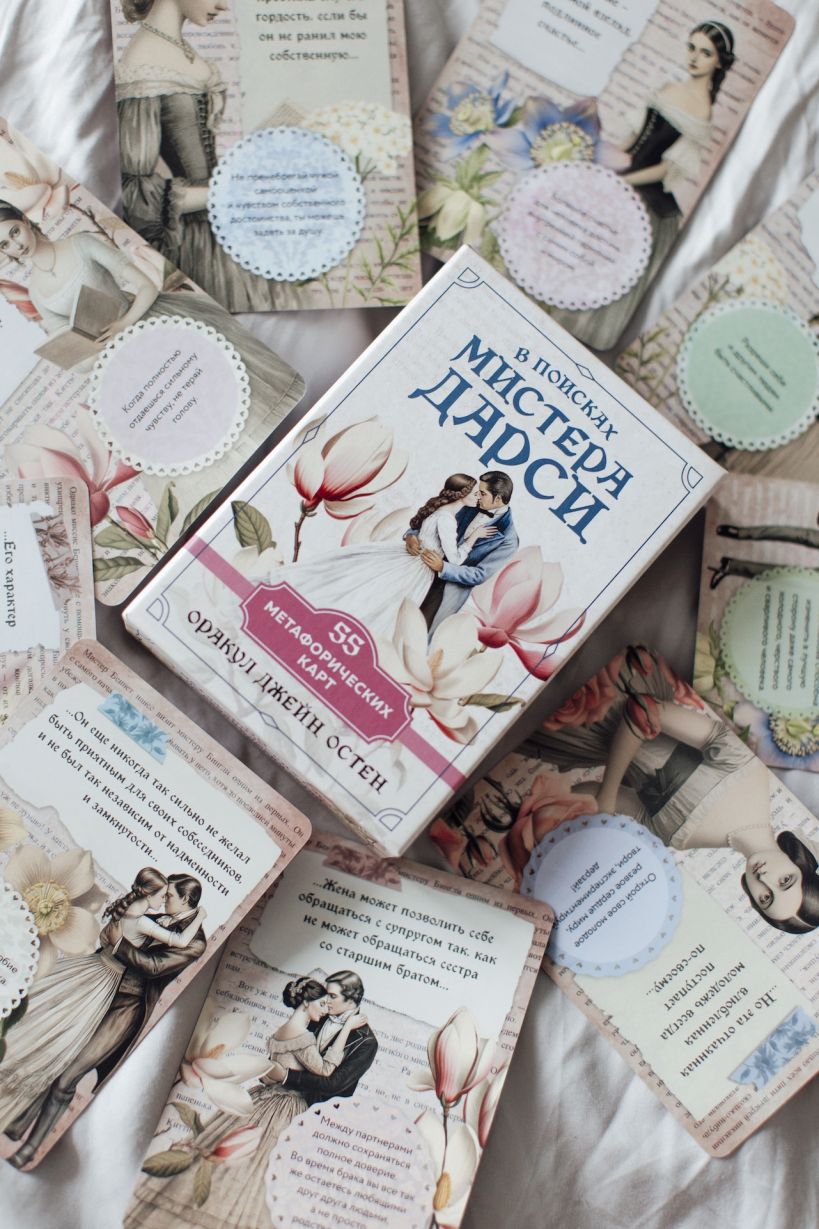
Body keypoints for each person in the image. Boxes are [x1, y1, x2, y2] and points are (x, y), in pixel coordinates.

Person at [518, 646, 819, 933]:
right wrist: (607, 795)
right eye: (785, 881)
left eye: (765, 898)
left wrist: (573, 820)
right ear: (798, 861)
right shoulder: (749, 776)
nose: (765, 879)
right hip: (611, 685)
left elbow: (595, 796)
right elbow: (644, 710)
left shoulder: (681, 840)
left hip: (578, 739)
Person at [0, 201, 302, 419]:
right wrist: (94, 351)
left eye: (14, 232)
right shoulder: (37, 293)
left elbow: (145, 285)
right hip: (118, 361)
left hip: (148, 322)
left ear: (25, 220)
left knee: (220, 389)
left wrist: (124, 323)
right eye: (4, 245)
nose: (16, 245)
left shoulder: (79, 244)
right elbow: (71, 352)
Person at [124, 974, 373, 1228]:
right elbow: (322, 1069)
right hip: (283, 1106)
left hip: (298, 1109)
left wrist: (284, 1074)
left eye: (332, 997)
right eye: (324, 998)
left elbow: (333, 1083)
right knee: (251, 1166)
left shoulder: (362, 1041)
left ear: (351, 1000)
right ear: (307, 1002)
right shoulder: (308, 1028)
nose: (327, 1004)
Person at [550, 22, 736, 350]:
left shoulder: (702, 111)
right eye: (691, 48)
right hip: (621, 173)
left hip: (645, 196)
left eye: (705, 53)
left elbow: (665, 170)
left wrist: (623, 180)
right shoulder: (669, 88)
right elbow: (633, 138)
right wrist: (603, 162)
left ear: (719, 62)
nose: (694, 58)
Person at [5, 873, 207, 1167]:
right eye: (163, 895)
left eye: (170, 897)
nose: (164, 900)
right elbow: (114, 936)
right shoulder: (154, 915)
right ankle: (19, 1122)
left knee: (69, 1077)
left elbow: (153, 966)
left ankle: (31, 1148)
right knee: (59, 1053)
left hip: (126, 1007)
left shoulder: (196, 943)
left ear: (186, 900)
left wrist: (119, 943)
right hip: (98, 992)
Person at [115, 0, 288, 311]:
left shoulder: (178, 48)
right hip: (193, 242)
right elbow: (134, 195)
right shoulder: (142, 63)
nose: (222, 6)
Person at [270, 473, 500, 640]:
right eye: (474, 494)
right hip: (417, 570)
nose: (477, 498)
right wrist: (473, 538)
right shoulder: (447, 519)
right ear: (462, 495)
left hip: (408, 560)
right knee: (382, 606)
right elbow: (456, 559)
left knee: (370, 593)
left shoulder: (440, 512)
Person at [406, 470, 519, 633]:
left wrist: (443, 568)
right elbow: (432, 520)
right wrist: (411, 536)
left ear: (498, 499)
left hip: (447, 591)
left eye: (483, 493)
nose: (478, 496)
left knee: (418, 631)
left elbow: (480, 574)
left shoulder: (508, 539)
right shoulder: (468, 502)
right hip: (417, 571)